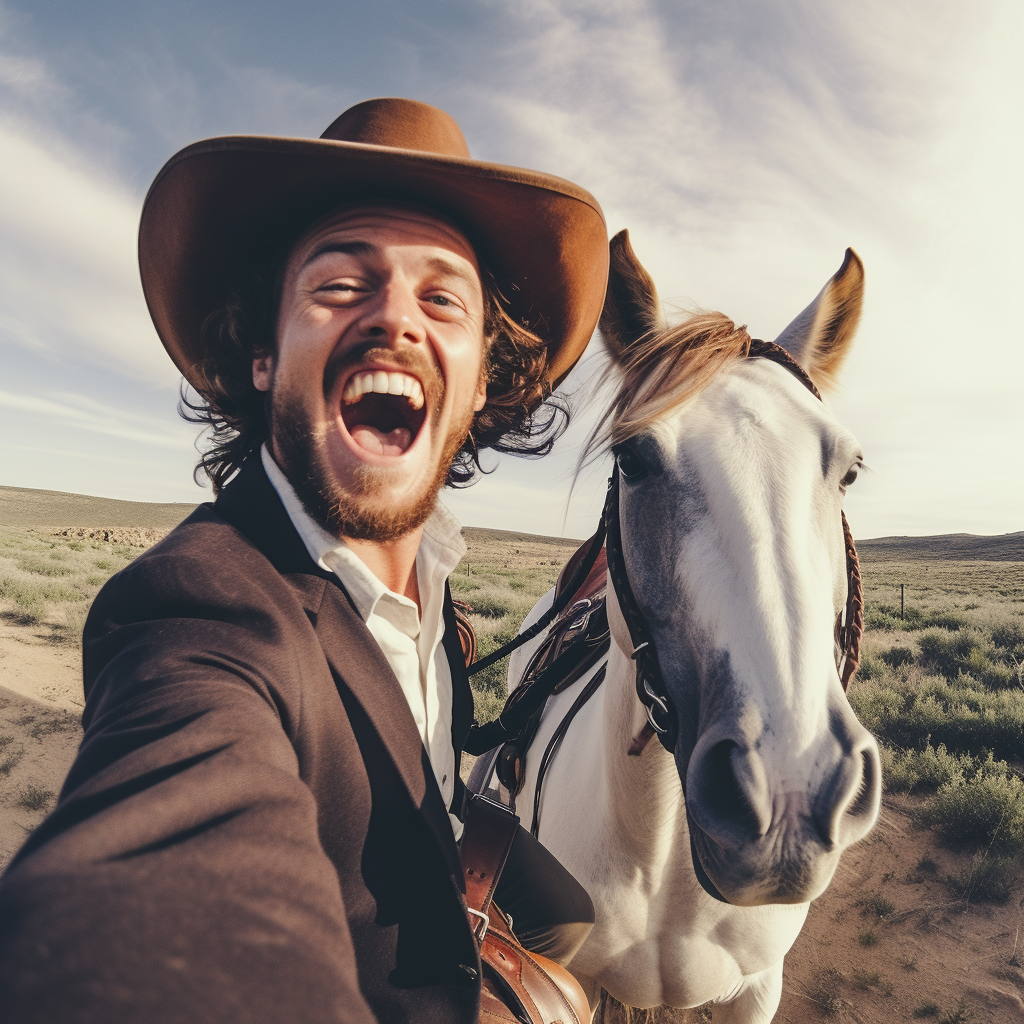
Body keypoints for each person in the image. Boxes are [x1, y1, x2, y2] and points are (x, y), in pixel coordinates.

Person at [0, 98, 608, 1023]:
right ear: (261, 353)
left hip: (436, 841)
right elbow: (170, 899)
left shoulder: (433, 579)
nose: (396, 320)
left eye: (442, 297)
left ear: (484, 376)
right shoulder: (199, 608)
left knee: (570, 916)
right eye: (338, 285)